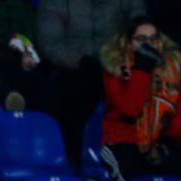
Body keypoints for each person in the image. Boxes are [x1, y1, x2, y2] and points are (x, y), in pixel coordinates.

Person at [37, 0, 145, 161]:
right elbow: (51, 44)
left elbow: (139, 18)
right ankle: (77, 158)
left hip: (115, 63)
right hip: (73, 66)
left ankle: (140, 153)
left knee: (140, 86)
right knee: (72, 93)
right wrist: (79, 61)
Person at [99, 16, 181, 181]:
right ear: (129, 42)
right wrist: (143, 68)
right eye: (141, 39)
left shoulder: (171, 69)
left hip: (158, 139)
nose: (148, 45)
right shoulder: (116, 68)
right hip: (121, 140)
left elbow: (180, 115)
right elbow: (130, 109)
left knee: (177, 176)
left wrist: (167, 143)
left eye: (153, 39)